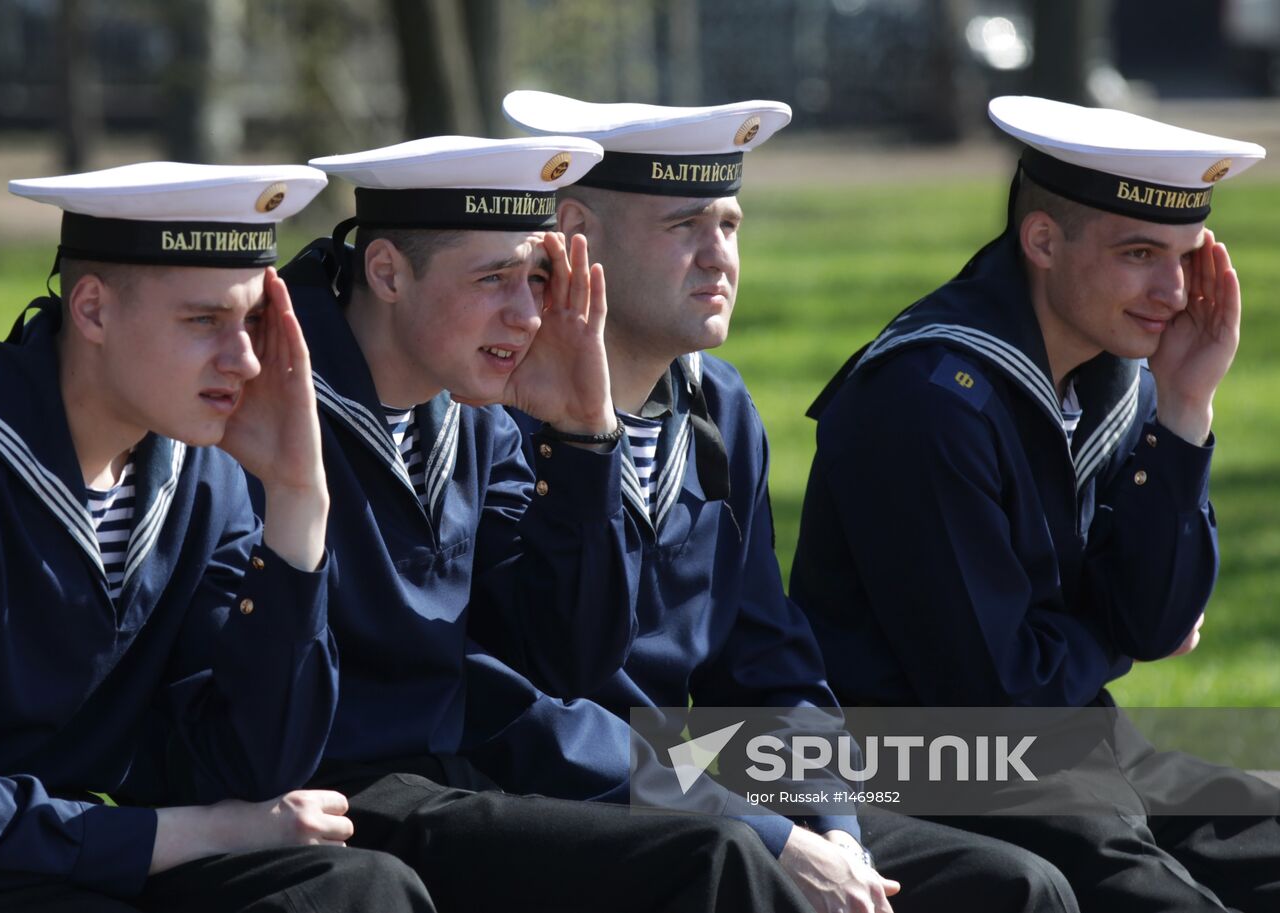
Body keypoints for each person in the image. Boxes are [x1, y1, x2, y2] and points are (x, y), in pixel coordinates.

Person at [460, 91, 1078, 913]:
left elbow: (770, 667)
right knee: (740, 871)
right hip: (570, 798)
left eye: (730, 225)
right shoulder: (496, 413)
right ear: (576, 235)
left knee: (1017, 888)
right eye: (685, 227)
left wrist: (834, 826)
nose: (719, 256)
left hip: (699, 777)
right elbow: (526, 711)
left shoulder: (715, 406)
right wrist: (774, 836)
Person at [269, 135, 811, 913]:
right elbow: (525, 702)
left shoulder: (703, 405)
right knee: (721, 859)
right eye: (494, 278)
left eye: (534, 276)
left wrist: (585, 434)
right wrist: (748, 818)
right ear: (386, 271)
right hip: (390, 785)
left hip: (678, 763)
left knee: (1023, 783)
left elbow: (581, 653)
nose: (525, 314)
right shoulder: (283, 401)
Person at [0, 162, 431, 913]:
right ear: (94, 311)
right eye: (204, 321)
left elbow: (249, 763)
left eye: (252, 325)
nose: (243, 361)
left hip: (535, 765)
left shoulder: (198, 466)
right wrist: (195, 830)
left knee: (365, 888)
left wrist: (299, 501)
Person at [791, 95, 1280, 911]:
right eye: (1137, 253)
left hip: (1067, 736)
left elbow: (1157, 616)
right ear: (1043, 241)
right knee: (1168, 899)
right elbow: (998, 695)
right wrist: (1114, 633)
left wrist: (1186, 408)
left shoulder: (1113, 369)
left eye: (1184, 257)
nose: (1170, 291)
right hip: (923, 760)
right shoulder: (929, 399)